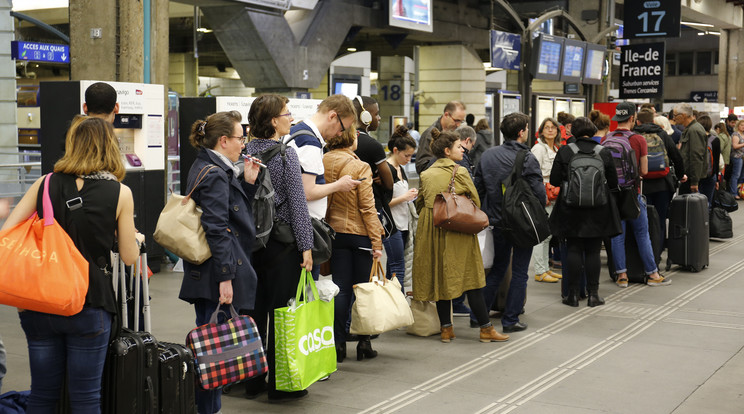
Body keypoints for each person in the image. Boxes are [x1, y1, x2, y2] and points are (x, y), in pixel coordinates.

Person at [1, 116, 143, 412]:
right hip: (90, 302)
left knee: (42, 394)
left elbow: (6, 233)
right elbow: (129, 257)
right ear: (110, 148)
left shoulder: (46, 183)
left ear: (73, 145)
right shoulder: (121, 193)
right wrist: (136, 239)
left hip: (41, 301)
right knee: (86, 397)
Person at [178, 111, 261, 413]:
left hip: (211, 270)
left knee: (213, 349)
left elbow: (231, 215)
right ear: (224, 140)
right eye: (241, 138)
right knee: (213, 352)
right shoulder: (214, 173)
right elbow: (217, 227)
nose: (244, 144)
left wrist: (248, 184)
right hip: (216, 273)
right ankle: (208, 410)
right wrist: (225, 277)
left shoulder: (209, 167)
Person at [242, 95, 314, 401]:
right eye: (287, 113)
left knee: (253, 313)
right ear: (274, 121)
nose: (291, 117)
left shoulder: (243, 152)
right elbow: (298, 206)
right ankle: (281, 385)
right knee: (284, 314)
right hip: (282, 245)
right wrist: (307, 246)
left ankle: (253, 380)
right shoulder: (286, 155)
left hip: (249, 245)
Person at [412, 128, 509, 343]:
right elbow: (475, 200)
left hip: (432, 231)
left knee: (441, 278)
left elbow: (420, 204)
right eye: (458, 147)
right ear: (447, 151)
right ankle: (485, 329)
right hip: (458, 231)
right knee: (471, 278)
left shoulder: (426, 174)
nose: (462, 150)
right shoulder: (460, 172)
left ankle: (446, 329)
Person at [473, 112, 545, 333]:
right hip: (521, 222)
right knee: (520, 271)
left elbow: (479, 189)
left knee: (498, 268)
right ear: (522, 132)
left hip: (496, 220)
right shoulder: (527, 157)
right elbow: (539, 193)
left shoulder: (487, 155)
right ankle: (511, 319)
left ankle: (480, 316)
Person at [323, 126, 384, 362]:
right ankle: (364, 343)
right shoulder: (360, 166)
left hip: (334, 233)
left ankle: (337, 345)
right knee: (363, 291)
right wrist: (376, 242)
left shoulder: (324, 159)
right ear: (351, 138)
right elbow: (368, 207)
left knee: (340, 289)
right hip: (360, 236)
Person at [549, 117, 621, 307]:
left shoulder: (565, 151)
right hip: (598, 209)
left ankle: (572, 295)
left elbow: (555, 180)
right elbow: (613, 183)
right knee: (593, 251)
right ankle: (594, 295)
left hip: (570, 208)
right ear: (594, 131)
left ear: (574, 132)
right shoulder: (603, 152)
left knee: (573, 249)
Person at [287, 95, 361, 276]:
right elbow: (307, 192)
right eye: (342, 128)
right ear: (332, 116)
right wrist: (339, 185)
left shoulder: (296, 131)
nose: (339, 134)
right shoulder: (310, 143)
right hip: (306, 228)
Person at [604, 102, 670, 288]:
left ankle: (622, 276)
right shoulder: (638, 139)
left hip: (613, 196)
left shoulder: (606, 139)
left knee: (618, 236)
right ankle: (653, 274)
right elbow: (644, 170)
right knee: (642, 234)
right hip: (633, 194)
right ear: (632, 118)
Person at [635, 109, 685, 252]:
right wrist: (681, 176)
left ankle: (642, 254)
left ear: (638, 121)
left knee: (642, 221)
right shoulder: (662, 134)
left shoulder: (635, 135)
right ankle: (657, 252)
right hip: (663, 184)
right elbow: (676, 157)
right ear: (653, 120)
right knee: (660, 220)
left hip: (641, 185)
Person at [353, 96, 395, 241]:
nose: (379, 117)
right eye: (376, 114)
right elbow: (389, 183)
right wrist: (381, 181)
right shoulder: (373, 145)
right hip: (370, 206)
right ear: (365, 116)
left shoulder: (339, 140)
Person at [383, 125, 418, 289]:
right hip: (391, 225)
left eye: (411, 156)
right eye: (407, 155)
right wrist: (405, 197)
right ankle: (399, 305)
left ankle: (392, 306)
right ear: (395, 150)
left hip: (402, 223)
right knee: (398, 267)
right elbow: (383, 201)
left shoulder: (400, 168)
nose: (409, 159)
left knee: (394, 267)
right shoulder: (387, 169)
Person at [530, 118, 563, 284]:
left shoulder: (555, 148)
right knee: (542, 235)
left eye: (553, 127)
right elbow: (534, 173)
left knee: (548, 235)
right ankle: (539, 270)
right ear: (541, 131)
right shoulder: (538, 148)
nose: (550, 130)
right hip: (544, 194)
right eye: (547, 127)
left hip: (554, 194)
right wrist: (540, 195)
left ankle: (545, 268)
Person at [415, 101, 467, 174]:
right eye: (456, 120)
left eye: (461, 121)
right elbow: (421, 166)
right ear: (446, 115)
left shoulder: (453, 133)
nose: (458, 125)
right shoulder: (429, 134)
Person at [674, 103, 707, 195]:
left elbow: (696, 156)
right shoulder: (689, 129)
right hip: (687, 177)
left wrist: (694, 182)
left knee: (689, 207)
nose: (674, 118)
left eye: (676, 115)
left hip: (690, 179)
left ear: (683, 115)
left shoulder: (694, 130)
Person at [697, 115, 721, 207]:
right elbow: (716, 160)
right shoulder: (715, 140)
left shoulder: (696, 138)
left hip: (697, 175)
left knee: (696, 202)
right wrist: (717, 180)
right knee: (708, 202)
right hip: (710, 175)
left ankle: (698, 220)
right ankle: (707, 220)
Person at [714, 122, 732, 191]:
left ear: (718, 129)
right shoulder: (728, 136)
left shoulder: (721, 136)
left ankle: (720, 193)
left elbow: (719, 148)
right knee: (723, 177)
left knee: (720, 177)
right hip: (727, 159)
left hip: (721, 160)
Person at [729, 120, 744, 199]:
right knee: (736, 175)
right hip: (737, 157)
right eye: (741, 125)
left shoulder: (743, 134)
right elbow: (735, 146)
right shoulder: (736, 134)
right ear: (738, 126)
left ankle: (740, 191)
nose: (743, 127)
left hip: (742, 157)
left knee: (742, 176)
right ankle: (733, 193)